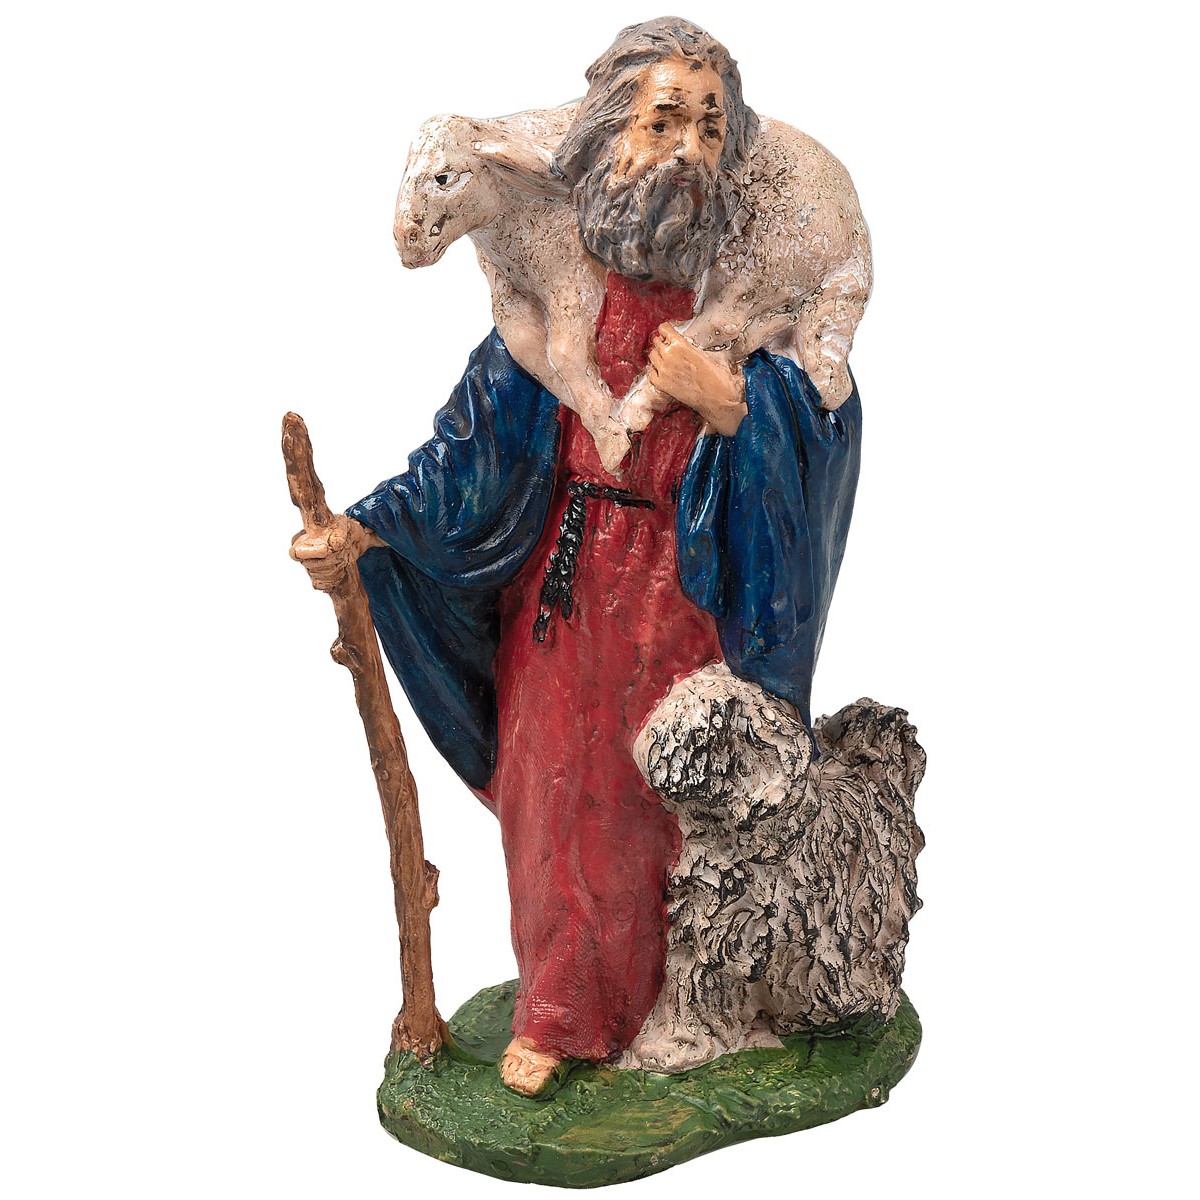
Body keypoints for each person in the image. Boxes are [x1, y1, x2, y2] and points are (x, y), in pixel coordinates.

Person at [291, 17, 861, 1096]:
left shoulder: (749, 300)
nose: (687, 150)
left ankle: (699, 1008)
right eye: (662, 122)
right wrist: (366, 531)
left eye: (710, 129)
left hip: (687, 599)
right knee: (557, 797)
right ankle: (560, 1010)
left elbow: (820, 428)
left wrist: (731, 405)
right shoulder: (552, 286)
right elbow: (467, 450)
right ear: (606, 139)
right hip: (565, 591)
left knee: (668, 809)